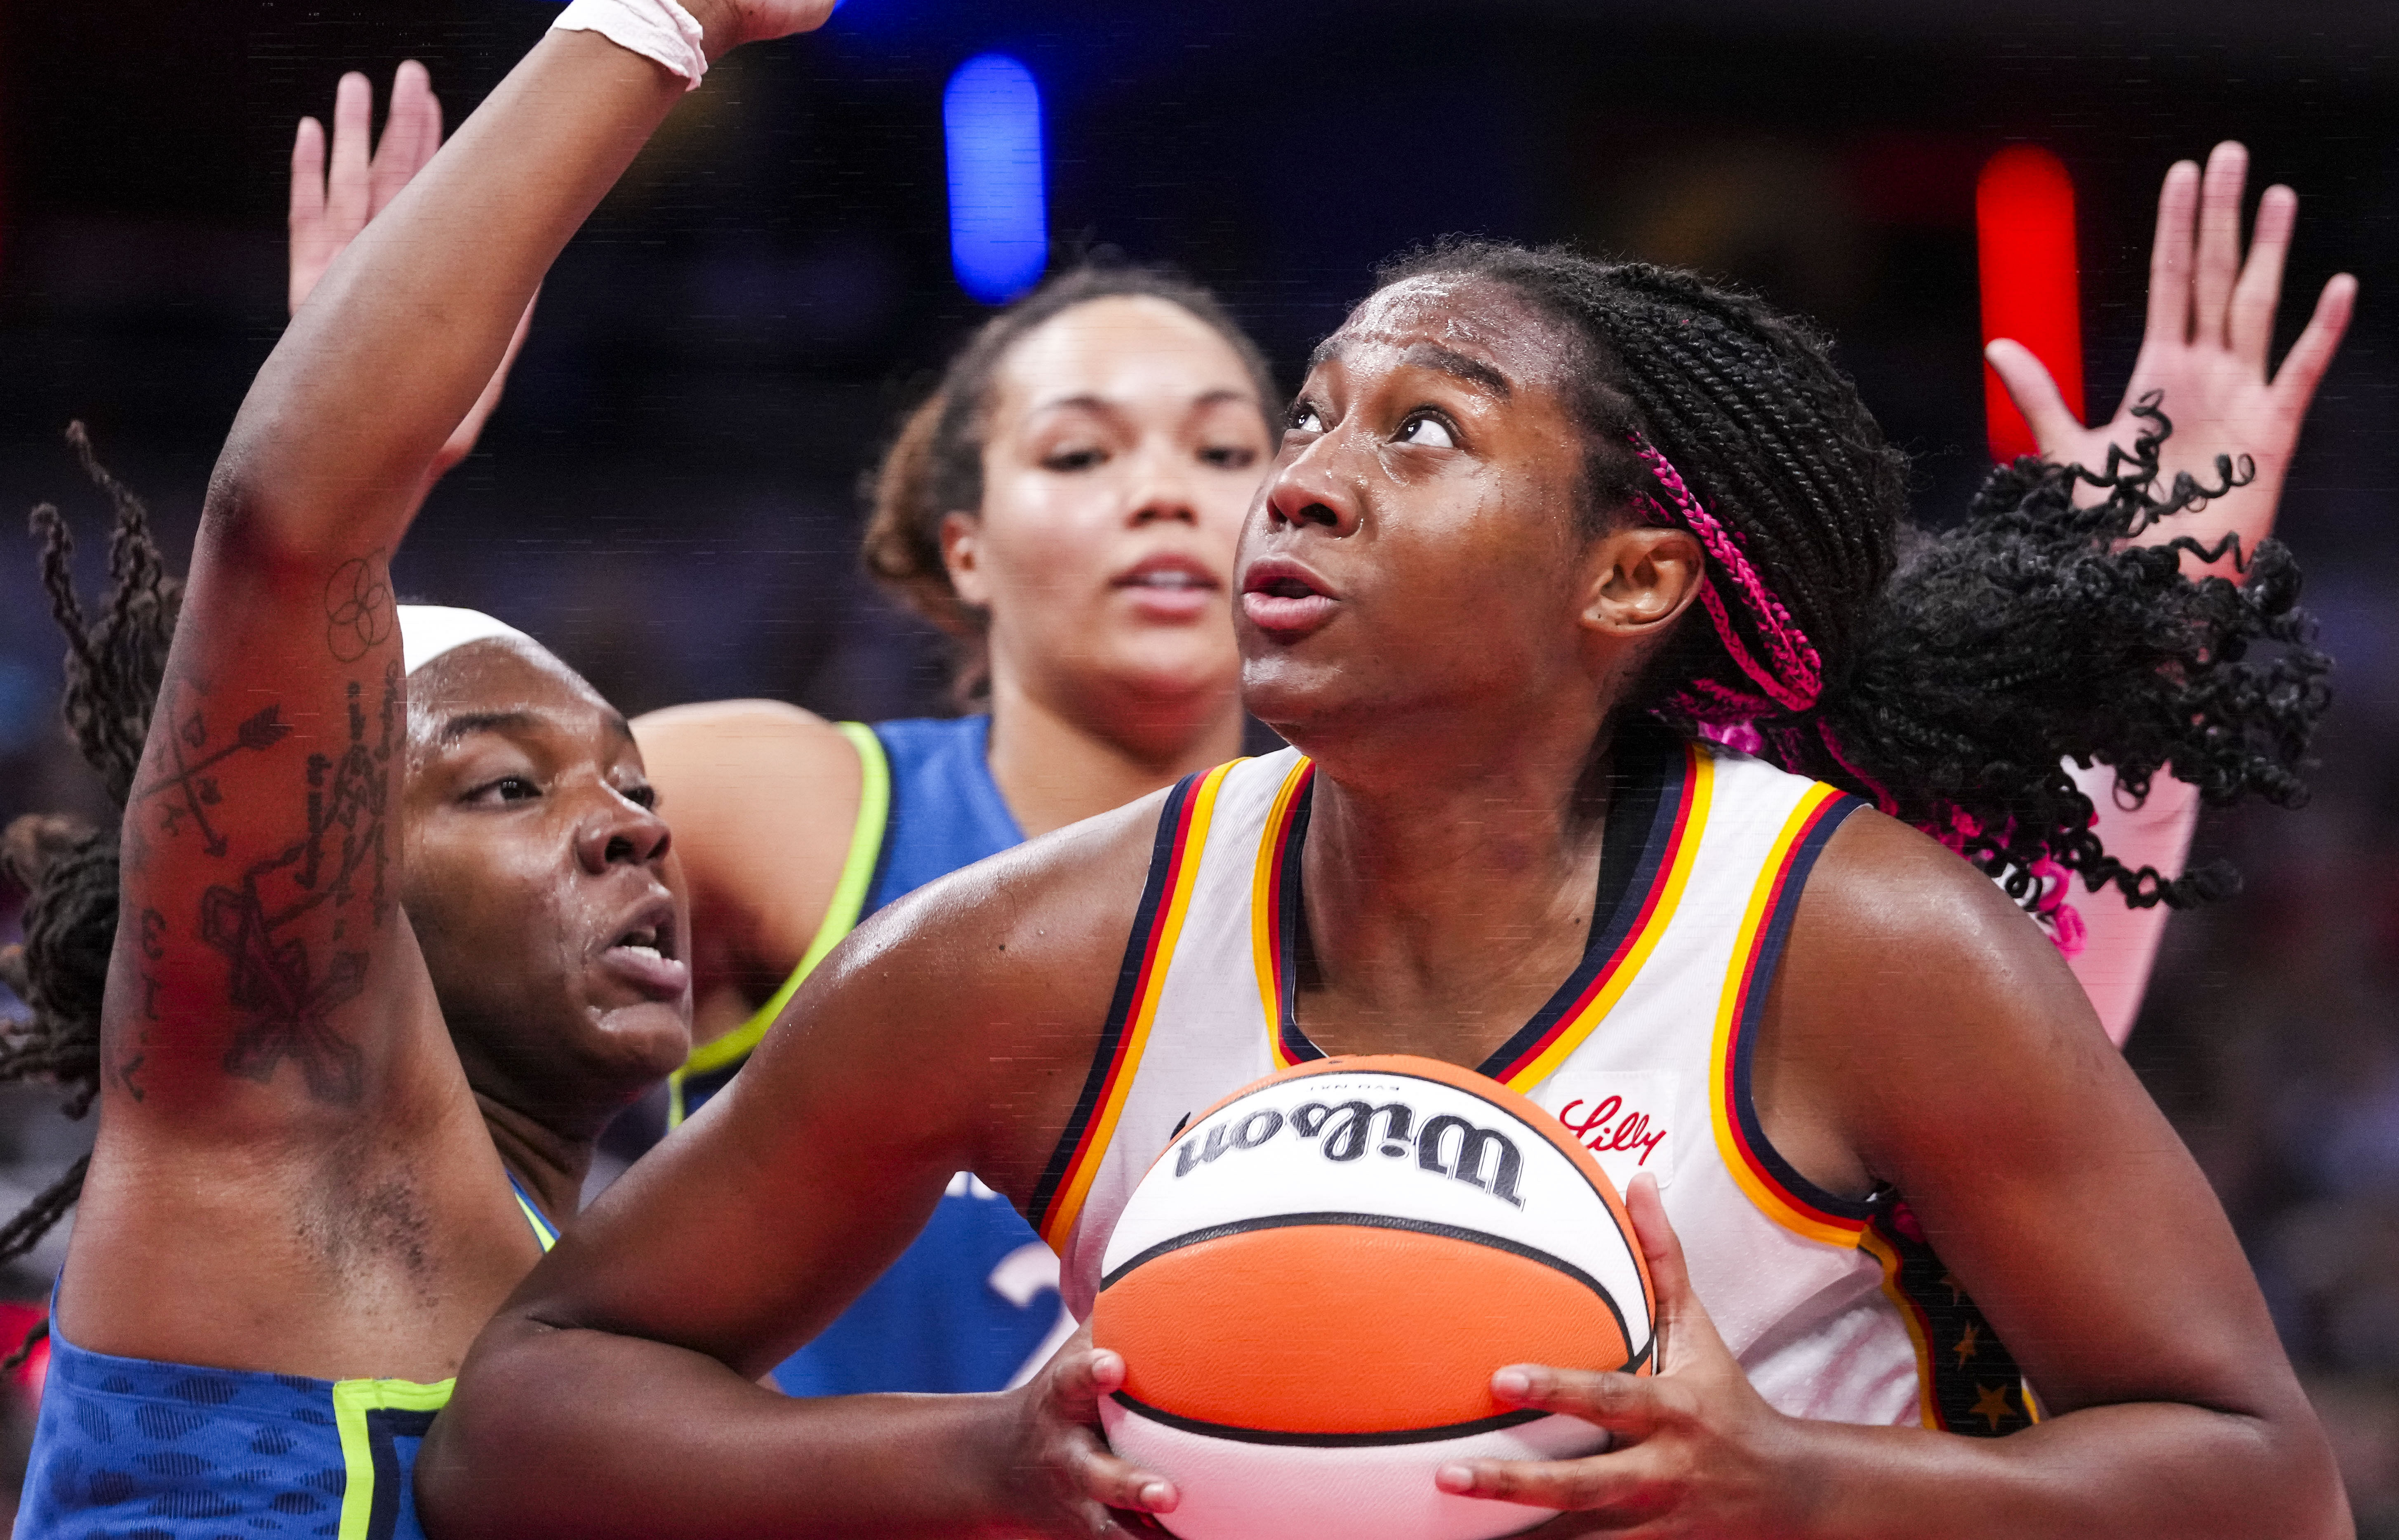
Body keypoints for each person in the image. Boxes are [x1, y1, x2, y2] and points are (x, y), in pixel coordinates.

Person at [405, 5, 2354, 1535]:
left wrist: (1798, 1488)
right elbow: (528, 1418)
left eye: (1425, 432)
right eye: (1316, 410)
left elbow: (2261, 1482)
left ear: (1636, 577)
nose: (1304, 473)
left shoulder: (1857, 946)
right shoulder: (1040, 951)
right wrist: (975, 1467)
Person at [0, 52, 719, 1538]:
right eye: (508, 785)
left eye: (633, 780)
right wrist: (666, 18)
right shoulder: (268, 1144)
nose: (633, 823)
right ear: (319, 894)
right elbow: (284, 530)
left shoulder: (588, 1280)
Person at [632, 260, 1278, 1394]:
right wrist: (369, 465)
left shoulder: (1397, 864)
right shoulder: (787, 810)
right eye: (1081, 453)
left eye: (1223, 453)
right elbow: (314, 897)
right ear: (965, 545)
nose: (1166, 492)